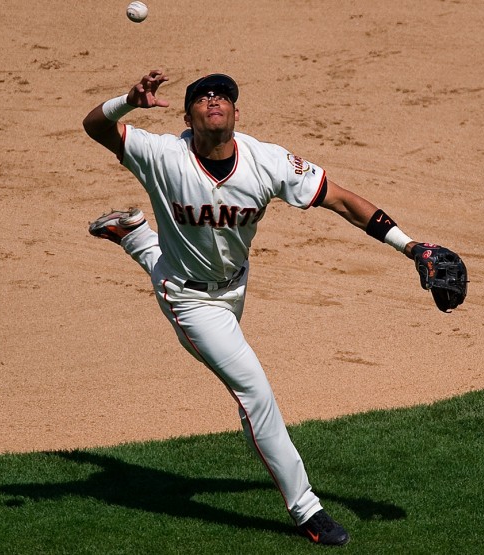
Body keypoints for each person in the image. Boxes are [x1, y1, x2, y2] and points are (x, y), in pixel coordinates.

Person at [83, 70, 420, 546]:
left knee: (183, 252)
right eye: (202, 97)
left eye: (223, 96)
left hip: (235, 286)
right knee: (255, 395)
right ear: (187, 116)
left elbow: (342, 200)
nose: (214, 100)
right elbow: (95, 126)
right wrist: (127, 101)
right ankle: (306, 510)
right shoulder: (161, 154)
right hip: (191, 299)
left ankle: (134, 234)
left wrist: (412, 247)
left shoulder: (268, 161)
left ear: (237, 113)